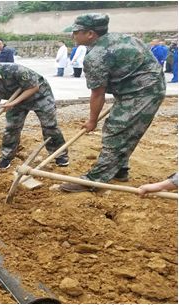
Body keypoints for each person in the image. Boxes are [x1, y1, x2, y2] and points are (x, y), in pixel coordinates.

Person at [60, 13, 166, 193]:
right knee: (121, 128)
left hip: (141, 93)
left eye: (76, 32)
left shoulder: (96, 56)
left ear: (90, 34)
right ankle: (120, 170)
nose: (73, 36)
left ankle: (95, 181)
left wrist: (92, 121)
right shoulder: (122, 37)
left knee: (115, 132)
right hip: (145, 87)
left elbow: (97, 94)